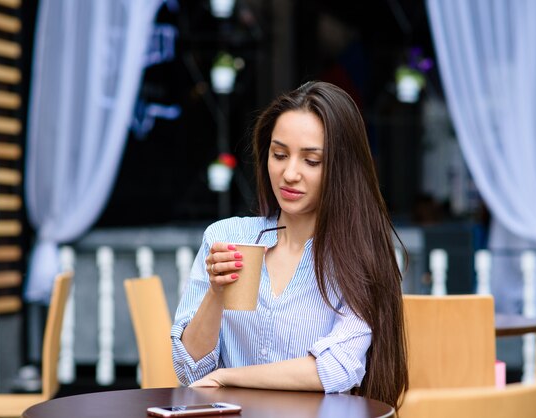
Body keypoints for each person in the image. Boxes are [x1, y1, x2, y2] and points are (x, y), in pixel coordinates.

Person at [171, 81, 408, 409]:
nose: (289, 173)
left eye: (311, 161)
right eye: (279, 154)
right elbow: (189, 370)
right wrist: (215, 293)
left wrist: (230, 377)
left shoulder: (357, 258)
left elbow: (338, 368)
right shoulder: (226, 238)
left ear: (341, 169)